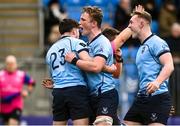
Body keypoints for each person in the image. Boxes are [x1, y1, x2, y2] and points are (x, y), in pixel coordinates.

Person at [65, 6, 132, 125]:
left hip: (105, 94)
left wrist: (75, 60)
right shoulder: (86, 44)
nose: (79, 23)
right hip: (91, 97)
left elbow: (96, 67)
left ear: (94, 23)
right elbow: (92, 68)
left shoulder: (102, 42)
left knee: (102, 123)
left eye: (83, 20)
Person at [123, 5, 174, 125]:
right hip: (142, 98)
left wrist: (157, 82)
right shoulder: (141, 47)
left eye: (131, 23)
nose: (129, 26)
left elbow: (169, 65)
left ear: (141, 24)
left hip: (157, 97)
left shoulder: (157, 42)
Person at [45, 18, 91, 125]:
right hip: (76, 89)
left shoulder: (50, 50)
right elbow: (89, 63)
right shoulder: (77, 42)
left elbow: (55, 74)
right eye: (78, 31)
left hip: (58, 93)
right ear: (74, 31)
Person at [0, 55, 35, 125]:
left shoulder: (21, 75)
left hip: (16, 106)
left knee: (12, 123)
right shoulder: (0, 75)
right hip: (3, 106)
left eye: (12, 63)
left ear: (16, 64)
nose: (10, 66)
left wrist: (27, 92)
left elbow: (32, 83)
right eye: (8, 64)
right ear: (5, 64)